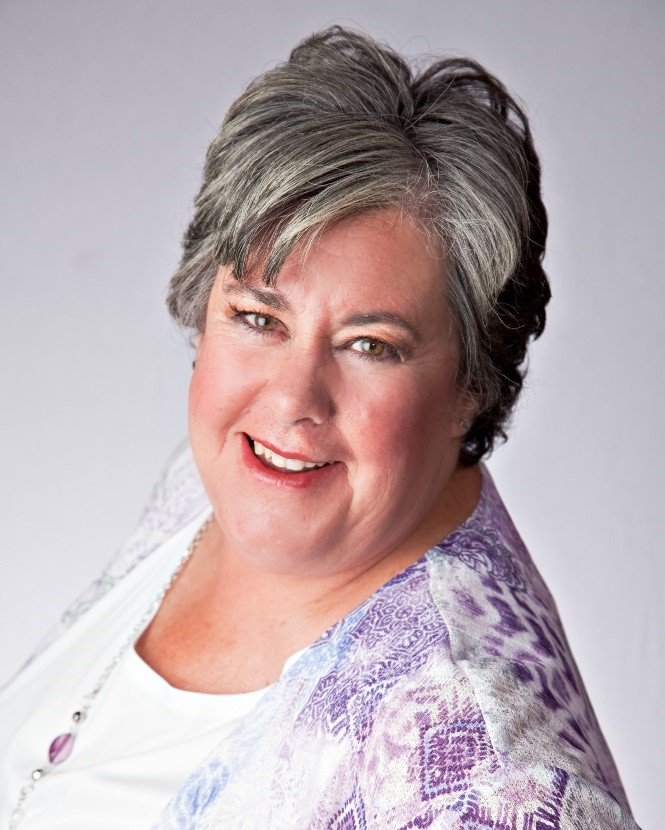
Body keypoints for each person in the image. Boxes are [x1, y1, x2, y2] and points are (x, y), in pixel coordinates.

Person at [0, 26, 639, 830]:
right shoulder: (230, 484)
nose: (291, 401)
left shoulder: (481, 787)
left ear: (469, 385)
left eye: (369, 345)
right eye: (259, 318)